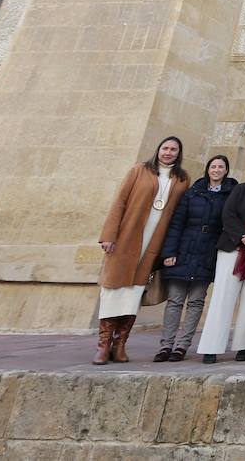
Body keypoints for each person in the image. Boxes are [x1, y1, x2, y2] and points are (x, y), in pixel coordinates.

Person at [95, 136, 193, 365]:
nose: (168, 153)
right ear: (158, 150)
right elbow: (119, 201)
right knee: (113, 289)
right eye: (165, 148)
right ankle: (103, 345)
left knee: (134, 292)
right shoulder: (139, 170)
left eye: (173, 150)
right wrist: (109, 235)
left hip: (153, 243)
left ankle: (120, 344)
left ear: (179, 154)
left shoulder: (182, 179)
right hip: (126, 238)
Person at [197, 150, 245, 363]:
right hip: (233, 248)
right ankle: (212, 346)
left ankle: (242, 346)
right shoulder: (240, 190)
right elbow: (228, 215)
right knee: (222, 297)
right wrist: (244, 237)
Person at [156, 154, 235, 362]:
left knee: (197, 301)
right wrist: (169, 252)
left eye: (221, 167)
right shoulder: (192, 194)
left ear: (226, 171)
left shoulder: (230, 195)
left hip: (208, 252)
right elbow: (176, 224)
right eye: (213, 166)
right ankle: (166, 345)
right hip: (184, 249)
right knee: (175, 300)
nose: (216, 170)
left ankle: (182, 345)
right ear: (207, 170)